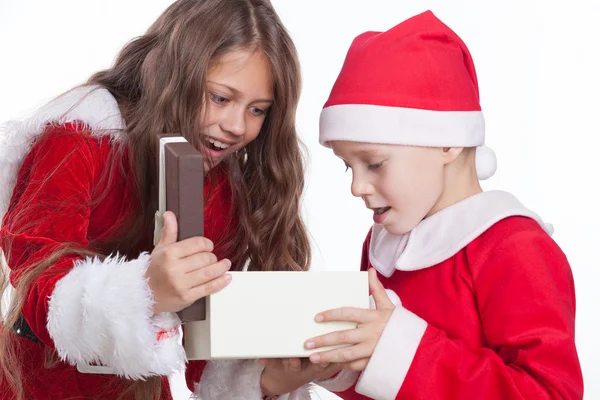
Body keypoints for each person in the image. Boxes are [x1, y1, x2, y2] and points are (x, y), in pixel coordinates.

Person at [262, 10, 584, 400]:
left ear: (447, 142)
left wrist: (399, 353)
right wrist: (341, 363)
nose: (356, 186)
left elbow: (551, 392)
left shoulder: (515, 249)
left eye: (375, 163)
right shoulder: (382, 244)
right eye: (348, 166)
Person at [0, 0, 314, 399]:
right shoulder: (78, 140)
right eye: (220, 98)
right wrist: (144, 291)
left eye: (257, 110)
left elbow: (204, 352)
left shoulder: (223, 189)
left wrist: (269, 383)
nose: (236, 126)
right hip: (35, 383)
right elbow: (37, 281)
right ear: (174, 76)